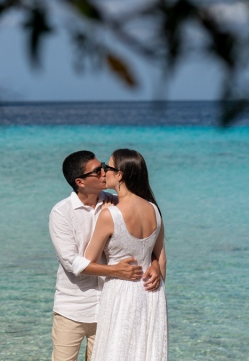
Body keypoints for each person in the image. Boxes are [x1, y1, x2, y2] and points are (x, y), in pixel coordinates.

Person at [49, 150, 161, 361]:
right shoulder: (61, 212)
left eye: (103, 166)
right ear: (80, 182)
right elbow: (71, 262)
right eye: (97, 171)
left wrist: (153, 264)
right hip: (73, 307)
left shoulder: (117, 202)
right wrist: (115, 271)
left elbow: (141, 243)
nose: (104, 172)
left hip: (108, 306)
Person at [85, 149, 168, 361]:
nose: (104, 172)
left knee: (116, 350)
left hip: (120, 292)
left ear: (119, 175)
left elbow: (88, 261)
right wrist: (156, 268)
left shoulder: (109, 214)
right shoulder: (154, 209)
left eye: (108, 167)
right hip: (152, 291)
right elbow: (161, 258)